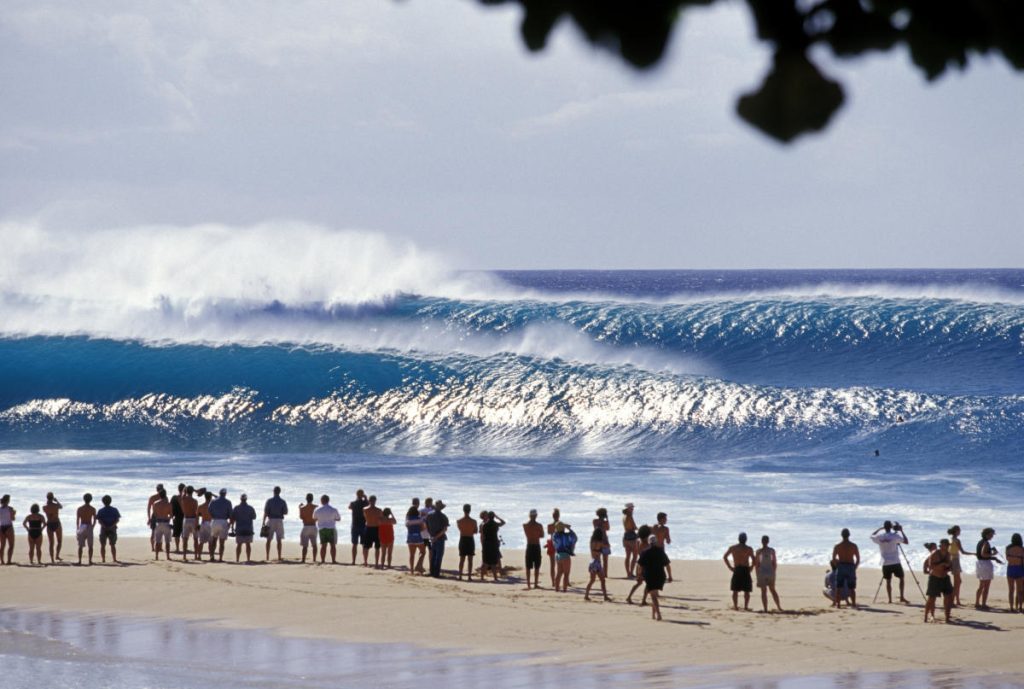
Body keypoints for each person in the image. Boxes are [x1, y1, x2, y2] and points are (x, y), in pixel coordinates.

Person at [871, 521, 910, 604]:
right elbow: (906, 541)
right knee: (901, 578)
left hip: (885, 562)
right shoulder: (895, 536)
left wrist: (880, 529)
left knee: (888, 581)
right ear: (891, 527)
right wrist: (901, 531)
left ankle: (890, 599)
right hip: (895, 561)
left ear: (884, 527)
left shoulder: (880, 536)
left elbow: (871, 536)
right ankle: (902, 597)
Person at [637, 534, 671, 621]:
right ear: (656, 542)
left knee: (653, 596)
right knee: (654, 594)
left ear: (649, 542)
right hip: (660, 576)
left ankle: (659, 615)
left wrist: (639, 575)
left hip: (650, 576)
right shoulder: (661, 551)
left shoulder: (645, 552)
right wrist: (670, 576)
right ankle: (653, 615)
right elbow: (667, 565)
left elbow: (640, 565)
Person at [923, 539, 955, 623]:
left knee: (949, 597)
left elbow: (950, 566)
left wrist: (949, 567)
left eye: (948, 545)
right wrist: (941, 564)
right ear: (941, 545)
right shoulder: (934, 554)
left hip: (945, 577)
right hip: (935, 577)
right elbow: (930, 566)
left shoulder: (948, 554)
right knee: (931, 598)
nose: (948, 546)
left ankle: (947, 617)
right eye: (946, 545)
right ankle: (926, 616)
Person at [723, 532, 755, 611]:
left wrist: (730, 567)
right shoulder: (748, 549)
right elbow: (754, 560)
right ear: (746, 539)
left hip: (737, 569)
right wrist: (751, 567)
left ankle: (736, 606)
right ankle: (746, 607)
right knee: (746, 590)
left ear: (738, 539)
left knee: (735, 590)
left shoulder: (733, 548)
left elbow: (725, 557)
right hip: (745, 569)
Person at [831, 528, 860, 608]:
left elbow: (833, 559)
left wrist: (837, 566)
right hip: (850, 566)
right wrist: (855, 567)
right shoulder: (853, 546)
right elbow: (858, 559)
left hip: (841, 565)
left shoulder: (837, 546)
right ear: (849, 535)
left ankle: (838, 604)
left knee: (839, 587)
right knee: (851, 587)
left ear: (841, 535)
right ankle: (853, 603)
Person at [754, 535, 783, 613]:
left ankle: (765, 609)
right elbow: (774, 563)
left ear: (761, 541)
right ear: (768, 541)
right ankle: (779, 607)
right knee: (773, 590)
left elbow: (756, 564)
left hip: (762, 573)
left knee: (763, 592)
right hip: (771, 572)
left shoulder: (758, 551)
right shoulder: (772, 551)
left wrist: (757, 574)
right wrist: (773, 572)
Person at [627, 524, 654, 605]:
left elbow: (638, 551)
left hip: (640, 563)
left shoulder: (638, 540)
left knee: (639, 582)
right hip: (646, 565)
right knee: (648, 583)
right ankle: (643, 600)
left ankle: (629, 597)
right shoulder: (647, 543)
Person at [975, 527, 1001, 610]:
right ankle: (983, 604)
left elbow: (980, 554)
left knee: (981, 585)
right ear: (987, 534)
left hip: (979, 563)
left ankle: (977, 602)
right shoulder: (986, 543)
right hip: (985, 564)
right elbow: (983, 554)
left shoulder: (980, 542)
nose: (992, 536)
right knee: (986, 586)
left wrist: (993, 557)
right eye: (991, 534)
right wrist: (993, 554)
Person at [947, 525, 972, 607]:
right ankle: (952, 600)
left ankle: (957, 600)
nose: (960, 532)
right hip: (955, 560)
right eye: (959, 530)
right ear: (956, 531)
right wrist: (973, 554)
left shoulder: (950, 540)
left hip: (952, 559)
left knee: (958, 581)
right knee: (957, 582)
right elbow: (963, 552)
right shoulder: (957, 540)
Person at [584, 528, 611, 602]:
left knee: (592, 580)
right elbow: (608, 546)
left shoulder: (591, 542)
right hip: (597, 563)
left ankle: (586, 595)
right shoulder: (600, 542)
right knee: (602, 580)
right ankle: (605, 596)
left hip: (592, 562)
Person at [425, 500, 450, 578]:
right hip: (440, 538)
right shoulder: (443, 516)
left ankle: (432, 572)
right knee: (438, 556)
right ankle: (436, 573)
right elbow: (445, 529)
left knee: (433, 555)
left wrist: (431, 536)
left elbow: (427, 526)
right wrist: (436, 537)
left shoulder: (429, 515)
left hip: (432, 537)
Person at [263, 486, 288, 562]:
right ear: (279, 492)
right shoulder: (283, 501)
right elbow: (285, 512)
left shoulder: (269, 501)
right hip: (279, 520)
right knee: (279, 540)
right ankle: (279, 556)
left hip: (271, 520)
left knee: (268, 539)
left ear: (273, 491)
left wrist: (263, 522)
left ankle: (267, 556)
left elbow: (266, 512)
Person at [313, 494, 341, 564]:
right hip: (331, 528)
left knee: (323, 545)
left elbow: (314, 518)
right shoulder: (333, 509)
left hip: (322, 528)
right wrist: (332, 519)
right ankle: (333, 560)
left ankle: (323, 560)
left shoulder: (317, 509)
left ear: (321, 500)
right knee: (333, 545)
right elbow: (338, 518)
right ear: (328, 500)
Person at [208, 488, 233, 562]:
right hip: (223, 521)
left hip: (215, 521)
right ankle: (220, 558)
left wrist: (213, 516)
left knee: (214, 540)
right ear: (225, 494)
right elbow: (230, 514)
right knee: (222, 542)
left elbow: (209, 511)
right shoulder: (228, 502)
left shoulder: (213, 501)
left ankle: (212, 557)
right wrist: (230, 524)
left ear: (219, 493)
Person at [231, 493, 257, 563]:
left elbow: (232, 518)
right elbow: (254, 517)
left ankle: (237, 559)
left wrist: (232, 527)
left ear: (240, 499)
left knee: (239, 545)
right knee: (248, 544)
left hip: (239, 528)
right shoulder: (250, 508)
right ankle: (248, 559)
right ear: (246, 499)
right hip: (248, 528)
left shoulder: (236, 508)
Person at [96, 495, 121, 564]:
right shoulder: (114, 509)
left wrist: (104, 526)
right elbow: (117, 520)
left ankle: (103, 559)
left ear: (103, 502)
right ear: (110, 501)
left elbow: (99, 521)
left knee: (103, 545)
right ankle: (114, 559)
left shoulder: (101, 510)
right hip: (112, 529)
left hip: (103, 529)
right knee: (113, 545)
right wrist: (112, 526)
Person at [523, 509, 545, 590]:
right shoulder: (539, 526)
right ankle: (535, 583)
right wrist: (536, 533)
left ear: (529, 516)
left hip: (529, 545)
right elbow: (542, 535)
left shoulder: (525, 525)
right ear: (536, 516)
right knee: (537, 565)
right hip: (536, 545)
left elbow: (528, 534)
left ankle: (529, 584)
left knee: (528, 566)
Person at [481, 511, 505, 581]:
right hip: (494, 543)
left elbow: (482, 535)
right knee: (493, 562)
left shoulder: (484, 525)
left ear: (488, 516)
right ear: (493, 517)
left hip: (486, 543)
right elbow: (503, 522)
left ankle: (482, 577)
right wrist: (497, 517)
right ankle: (495, 578)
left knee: (485, 562)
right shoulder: (495, 524)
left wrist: (482, 544)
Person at [552, 521, 576, 592]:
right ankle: (564, 589)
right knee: (566, 573)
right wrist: (569, 528)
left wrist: (561, 526)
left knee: (559, 573)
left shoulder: (555, 536)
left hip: (558, 555)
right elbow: (574, 537)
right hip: (565, 555)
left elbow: (555, 534)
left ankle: (557, 589)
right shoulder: (566, 535)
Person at [361, 495, 384, 568]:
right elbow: (381, 519)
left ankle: (365, 562)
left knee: (366, 547)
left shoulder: (365, 509)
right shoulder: (379, 510)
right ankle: (376, 563)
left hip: (369, 527)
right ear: (375, 501)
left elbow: (365, 517)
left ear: (369, 501)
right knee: (376, 547)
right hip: (376, 528)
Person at [456, 504, 478, 580]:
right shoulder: (474, 521)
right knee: (470, 559)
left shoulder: (459, 521)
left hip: (462, 539)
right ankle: (469, 576)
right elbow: (475, 531)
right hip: (470, 539)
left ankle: (460, 576)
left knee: (462, 559)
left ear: (463, 510)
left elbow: (460, 529)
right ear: (470, 510)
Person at [152, 488, 174, 560]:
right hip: (165, 523)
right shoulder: (168, 504)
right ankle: (168, 556)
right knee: (167, 541)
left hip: (158, 523)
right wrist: (168, 518)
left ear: (159, 495)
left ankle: (156, 556)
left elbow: (154, 514)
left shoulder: (155, 504)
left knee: (158, 541)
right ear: (165, 495)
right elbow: (171, 515)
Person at [1004, 533, 1024, 613]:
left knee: (1011, 590)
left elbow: (1007, 559)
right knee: (1020, 590)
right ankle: (1020, 607)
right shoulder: (1022, 549)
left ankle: (1011, 607)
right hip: (1019, 569)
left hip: (1011, 568)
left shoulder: (1008, 548)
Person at [75, 493, 97, 566]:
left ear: (84, 499)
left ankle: (79, 560)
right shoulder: (93, 509)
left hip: (82, 525)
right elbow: (94, 520)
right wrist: (92, 526)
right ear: (91, 500)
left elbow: (77, 520)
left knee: (80, 546)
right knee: (90, 546)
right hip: (89, 525)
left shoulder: (80, 509)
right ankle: (90, 561)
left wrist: (78, 528)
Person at [405, 500, 427, 574]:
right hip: (418, 536)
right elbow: (423, 528)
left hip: (410, 536)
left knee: (411, 555)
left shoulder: (408, 520)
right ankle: (418, 565)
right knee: (423, 552)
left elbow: (407, 527)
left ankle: (411, 571)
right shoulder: (419, 519)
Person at [348, 489, 369, 565]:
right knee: (364, 544)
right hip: (363, 525)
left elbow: (349, 507)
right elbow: (369, 505)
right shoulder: (365, 503)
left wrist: (358, 498)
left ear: (356, 495)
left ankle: (353, 561)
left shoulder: (353, 503)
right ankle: (365, 561)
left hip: (355, 525)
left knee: (354, 544)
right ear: (363, 494)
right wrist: (365, 498)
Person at [180, 486, 200, 560]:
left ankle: (184, 556)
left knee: (185, 539)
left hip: (186, 519)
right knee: (195, 539)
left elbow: (182, 493)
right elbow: (197, 513)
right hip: (193, 519)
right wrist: (197, 523)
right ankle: (195, 556)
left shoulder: (183, 499)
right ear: (192, 492)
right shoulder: (195, 501)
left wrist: (186, 489)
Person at [652, 512, 673, 583]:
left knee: (655, 564)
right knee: (666, 563)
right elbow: (668, 541)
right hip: (660, 549)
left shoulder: (654, 527)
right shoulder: (666, 529)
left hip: (653, 548)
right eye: (665, 518)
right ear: (661, 519)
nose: (666, 520)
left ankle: (656, 576)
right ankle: (670, 577)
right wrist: (668, 540)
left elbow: (650, 538)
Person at [298, 493, 319, 564]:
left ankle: (303, 560)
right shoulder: (316, 507)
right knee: (314, 544)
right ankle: (314, 559)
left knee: (305, 546)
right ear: (312, 499)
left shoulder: (302, 508)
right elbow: (317, 517)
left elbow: (301, 517)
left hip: (306, 526)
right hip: (313, 526)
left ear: (306, 499)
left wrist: (299, 508)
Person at [43, 492, 64, 563]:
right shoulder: (56, 505)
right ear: (53, 498)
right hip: (56, 523)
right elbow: (61, 506)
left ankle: (52, 559)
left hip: (49, 524)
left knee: (51, 543)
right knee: (59, 541)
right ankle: (57, 555)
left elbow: (47, 511)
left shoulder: (44, 507)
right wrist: (57, 500)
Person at [622, 503, 639, 578]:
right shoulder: (630, 516)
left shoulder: (624, 516)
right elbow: (634, 527)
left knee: (627, 556)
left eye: (632, 508)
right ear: (628, 509)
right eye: (631, 508)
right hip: (631, 536)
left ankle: (628, 573)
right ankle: (631, 572)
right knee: (635, 555)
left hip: (625, 536)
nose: (632, 509)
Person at [546, 508, 561, 588]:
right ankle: (556, 581)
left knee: (553, 564)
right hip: (559, 544)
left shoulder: (550, 525)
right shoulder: (561, 524)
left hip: (552, 543)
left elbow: (550, 532)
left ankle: (553, 582)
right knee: (560, 564)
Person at [197, 488, 213, 561]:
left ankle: (199, 556)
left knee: (201, 542)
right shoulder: (213, 506)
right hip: (210, 523)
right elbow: (218, 497)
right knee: (210, 542)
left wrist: (197, 525)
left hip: (203, 523)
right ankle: (211, 557)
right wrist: (212, 495)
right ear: (210, 497)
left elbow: (197, 516)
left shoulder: (201, 506)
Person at [593, 507, 611, 577]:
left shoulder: (595, 521)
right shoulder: (605, 522)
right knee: (605, 560)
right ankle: (605, 574)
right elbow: (608, 528)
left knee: (597, 558)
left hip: (596, 541)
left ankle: (598, 572)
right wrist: (607, 519)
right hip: (604, 540)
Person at [146, 483, 163, 552]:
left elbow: (148, 508)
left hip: (155, 515)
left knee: (154, 532)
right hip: (161, 515)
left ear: (156, 489)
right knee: (160, 532)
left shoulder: (152, 497)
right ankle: (159, 547)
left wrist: (149, 518)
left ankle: (153, 548)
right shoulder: (164, 497)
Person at [170, 483, 186, 554]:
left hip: (177, 517)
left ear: (178, 489)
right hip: (184, 517)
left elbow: (170, 507)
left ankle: (177, 548)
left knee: (177, 534)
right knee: (184, 534)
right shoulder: (185, 498)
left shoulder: (174, 497)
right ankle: (184, 547)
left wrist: (171, 516)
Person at [0, 495, 15, 565]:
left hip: (1, 527)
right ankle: (9, 561)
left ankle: (2, 561)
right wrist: (14, 514)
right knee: (11, 545)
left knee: (2, 545)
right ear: (8, 501)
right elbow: (13, 518)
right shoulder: (10, 509)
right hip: (9, 527)